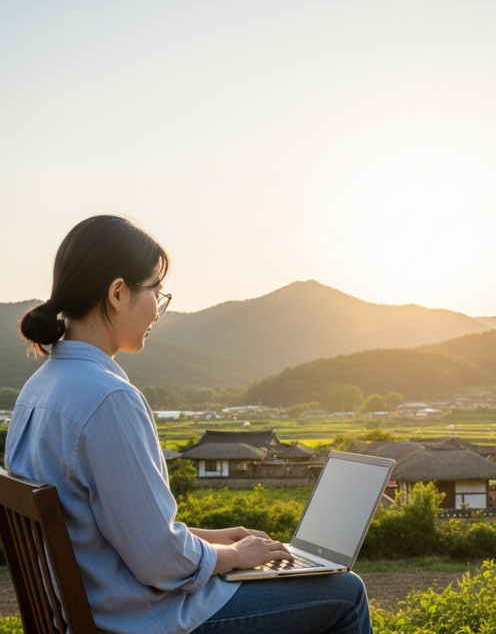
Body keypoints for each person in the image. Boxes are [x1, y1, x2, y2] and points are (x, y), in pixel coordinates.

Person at [8, 215, 373, 634]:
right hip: (142, 620)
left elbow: (120, 530)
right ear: (118, 292)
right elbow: (159, 561)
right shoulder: (108, 398)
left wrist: (215, 538)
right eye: (156, 291)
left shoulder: (39, 389)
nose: (158, 309)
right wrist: (236, 556)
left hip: (91, 612)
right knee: (345, 593)